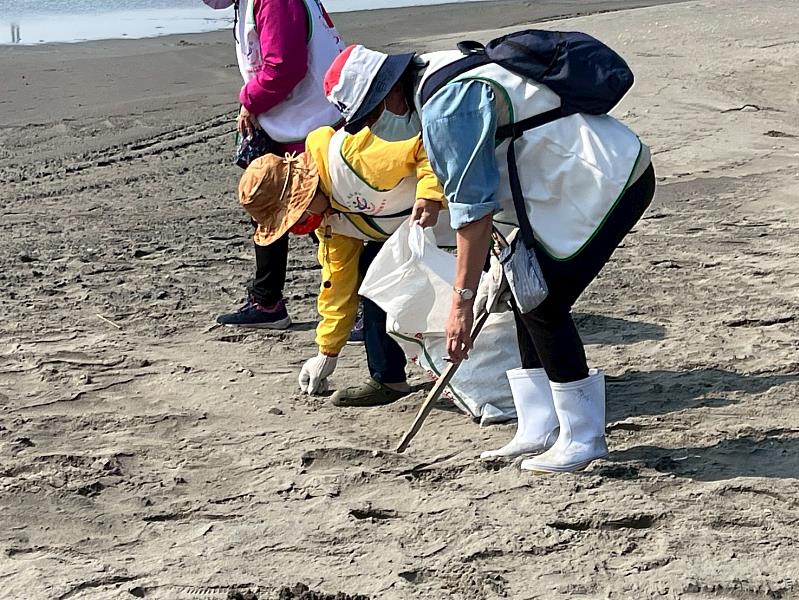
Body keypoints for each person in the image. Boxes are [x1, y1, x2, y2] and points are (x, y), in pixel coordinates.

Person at [323, 42, 655, 473]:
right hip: (560, 183)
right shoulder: (435, 74)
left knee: (543, 299)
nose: (372, 128)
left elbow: (473, 211)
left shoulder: (444, 106)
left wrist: (461, 303)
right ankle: (539, 425)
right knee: (522, 290)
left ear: (388, 91)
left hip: (606, 177)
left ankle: (583, 436)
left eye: (369, 116)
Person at [238, 115, 451, 406]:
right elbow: (338, 283)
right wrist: (327, 352)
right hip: (416, 232)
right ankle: (388, 380)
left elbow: (426, 142)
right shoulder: (329, 221)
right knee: (371, 274)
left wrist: (429, 195)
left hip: (463, 213)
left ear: (302, 192)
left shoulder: (353, 157)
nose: (299, 225)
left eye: (294, 215)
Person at [202, 0, 344, 329]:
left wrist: (250, 101)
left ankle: (363, 308)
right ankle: (267, 301)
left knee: (322, 220)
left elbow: (285, 67)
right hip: (291, 120)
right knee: (267, 205)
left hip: (309, 124)